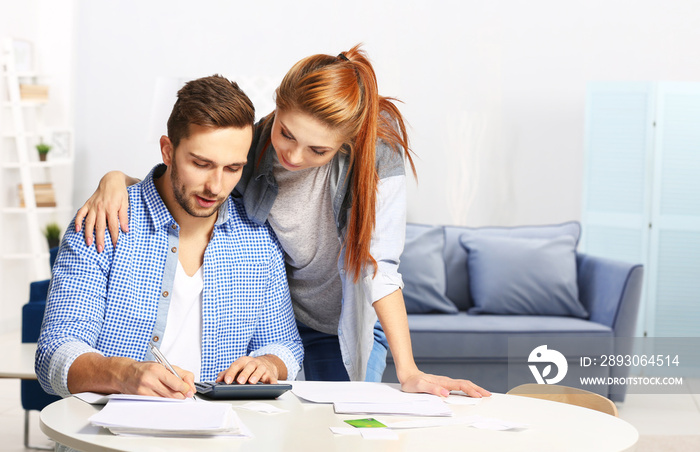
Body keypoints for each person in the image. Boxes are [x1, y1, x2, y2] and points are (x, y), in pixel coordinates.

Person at [76, 45, 491, 398]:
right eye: (287, 134)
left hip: (345, 324)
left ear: (344, 144)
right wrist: (116, 180)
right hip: (287, 320)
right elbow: (192, 179)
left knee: (347, 429)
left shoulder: (377, 160)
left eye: (317, 150)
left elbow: (379, 267)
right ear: (277, 105)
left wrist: (410, 372)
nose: (293, 156)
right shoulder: (251, 145)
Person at [36, 75, 303, 399]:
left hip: (217, 437)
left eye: (233, 168)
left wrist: (269, 365)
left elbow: (285, 345)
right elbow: (54, 353)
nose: (216, 187)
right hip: (111, 441)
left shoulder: (258, 240)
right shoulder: (104, 221)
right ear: (168, 150)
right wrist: (122, 375)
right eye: (201, 164)